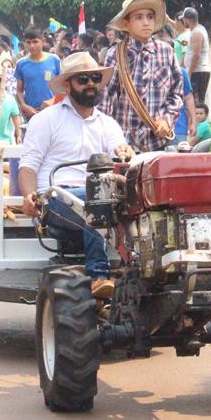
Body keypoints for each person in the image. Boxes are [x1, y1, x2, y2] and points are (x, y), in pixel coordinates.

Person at [19, 52, 134, 299]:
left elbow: (121, 153)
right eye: (83, 79)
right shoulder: (46, 120)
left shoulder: (108, 124)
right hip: (58, 199)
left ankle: (143, 269)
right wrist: (29, 196)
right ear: (68, 85)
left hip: (101, 197)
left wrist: (125, 153)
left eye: (95, 77)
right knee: (97, 195)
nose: (91, 83)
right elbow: (28, 165)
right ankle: (98, 276)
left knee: (129, 196)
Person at [99, 0, 183, 152]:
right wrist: (109, 140)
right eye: (138, 17)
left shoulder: (166, 52)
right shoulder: (115, 55)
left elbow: (176, 93)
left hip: (157, 143)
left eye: (150, 17)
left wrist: (167, 119)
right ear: (126, 23)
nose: (146, 22)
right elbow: (105, 100)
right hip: (124, 145)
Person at [14, 28, 61, 118]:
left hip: (53, 112)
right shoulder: (21, 64)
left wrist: (51, 101)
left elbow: (63, 87)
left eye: (35, 42)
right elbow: (19, 91)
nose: (31, 46)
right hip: (31, 113)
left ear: (42, 41)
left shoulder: (54, 60)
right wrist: (24, 105)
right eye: (28, 42)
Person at [181, 7, 211, 105]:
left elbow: (196, 55)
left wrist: (189, 72)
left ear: (188, 20)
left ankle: (198, 120)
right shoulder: (198, 29)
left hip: (198, 72)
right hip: (198, 71)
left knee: (196, 102)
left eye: (184, 19)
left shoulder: (196, 33)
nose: (183, 21)